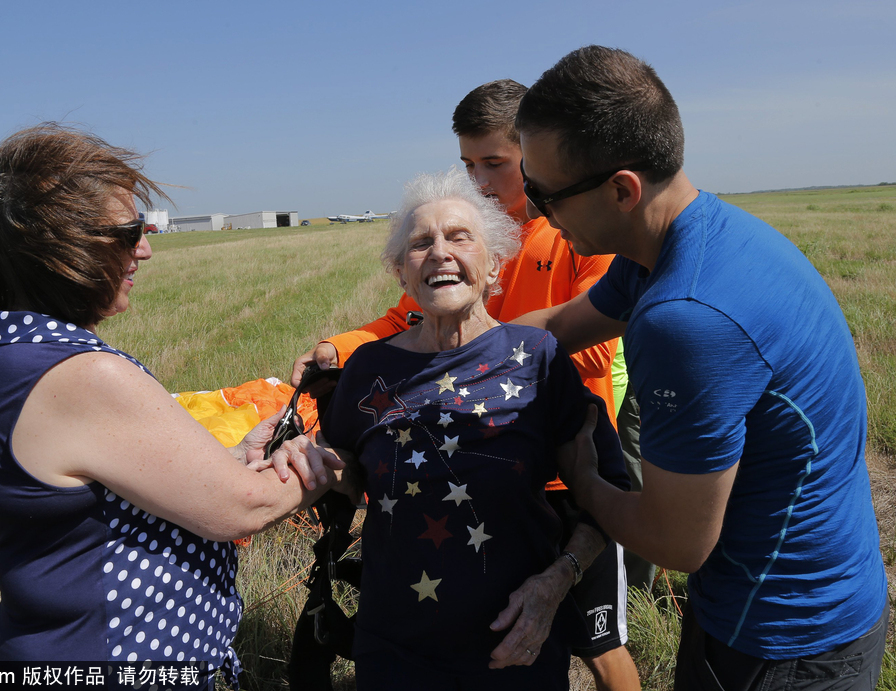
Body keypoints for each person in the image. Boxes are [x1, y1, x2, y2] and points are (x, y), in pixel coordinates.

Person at [515, 46, 889, 690]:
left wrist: (583, 477)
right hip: (810, 596)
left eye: (542, 196)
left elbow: (676, 542)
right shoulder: (679, 242)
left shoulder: (686, 317)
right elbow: (556, 326)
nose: (535, 214)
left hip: (781, 641)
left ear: (621, 189)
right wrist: (427, 356)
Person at [0, 124, 348, 688]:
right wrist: (331, 455)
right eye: (127, 232)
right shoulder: (86, 375)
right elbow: (237, 510)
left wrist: (235, 457)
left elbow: (118, 498)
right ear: (65, 248)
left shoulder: (17, 357)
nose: (144, 246)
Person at [293, 79, 643, 690]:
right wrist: (340, 351)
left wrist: (497, 351)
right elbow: (405, 324)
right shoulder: (402, 334)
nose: (479, 180)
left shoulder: (572, 245)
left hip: (561, 469)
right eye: (468, 165)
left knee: (596, 636)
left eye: (495, 164)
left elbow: (594, 330)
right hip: (407, 623)